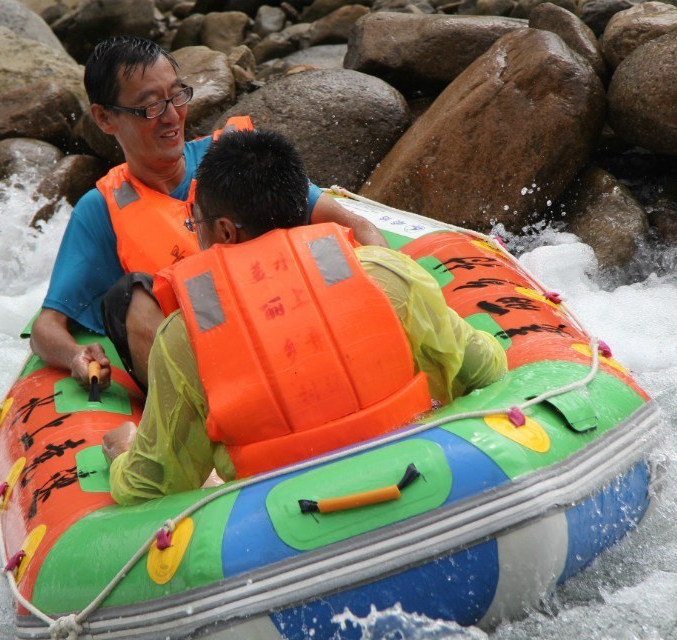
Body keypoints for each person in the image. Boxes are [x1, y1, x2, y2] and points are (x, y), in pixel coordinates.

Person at [102, 130, 508, 505]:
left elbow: (153, 484)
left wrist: (122, 450)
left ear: (225, 231)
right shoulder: (388, 275)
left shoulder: (183, 336)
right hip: (423, 479)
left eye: (198, 224)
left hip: (280, 525)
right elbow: (484, 369)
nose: (198, 234)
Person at [29, 35, 385, 392]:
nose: (171, 116)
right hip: (208, 380)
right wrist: (75, 354)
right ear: (105, 118)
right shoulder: (101, 210)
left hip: (297, 337)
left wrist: (388, 299)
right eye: (150, 107)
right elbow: (46, 328)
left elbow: (356, 228)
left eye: (177, 95)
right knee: (128, 295)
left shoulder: (235, 159)